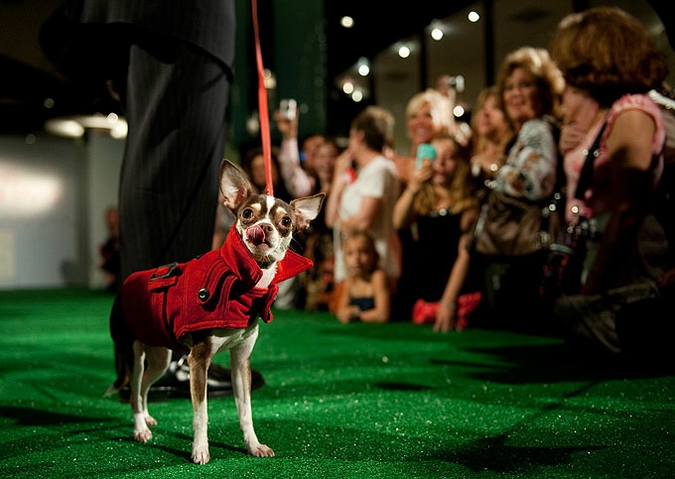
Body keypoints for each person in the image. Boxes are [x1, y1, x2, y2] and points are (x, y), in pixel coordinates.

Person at [63, 0, 262, 400]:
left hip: (162, 22)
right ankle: (170, 351)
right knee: (174, 174)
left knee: (160, 165)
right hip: (183, 21)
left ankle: (150, 350)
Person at [549, 6, 673, 361]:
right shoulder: (613, 111)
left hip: (632, 261)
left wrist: (590, 290)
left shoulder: (632, 111)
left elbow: (628, 209)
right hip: (608, 257)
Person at [471, 46, 565, 332]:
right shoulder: (526, 131)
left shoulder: (537, 128)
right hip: (519, 253)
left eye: (525, 84)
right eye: (509, 87)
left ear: (545, 90)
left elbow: (534, 183)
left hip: (529, 254)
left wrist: (493, 169)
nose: (515, 93)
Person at [392, 134, 481, 332]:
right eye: (434, 157)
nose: (439, 163)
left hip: (459, 296)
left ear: (459, 163)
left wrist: (448, 302)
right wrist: (414, 186)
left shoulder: (469, 202)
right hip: (426, 296)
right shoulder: (421, 197)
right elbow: (398, 222)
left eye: (448, 157)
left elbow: (464, 255)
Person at [325, 105, 402, 302]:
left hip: (374, 268)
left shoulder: (380, 169)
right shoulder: (362, 173)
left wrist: (342, 225)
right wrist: (336, 179)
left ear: (359, 136)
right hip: (353, 267)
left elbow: (364, 221)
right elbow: (329, 219)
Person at [333, 230, 390, 324]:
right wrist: (346, 314)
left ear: (374, 255)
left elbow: (382, 315)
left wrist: (357, 315)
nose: (356, 258)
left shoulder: (378, 277)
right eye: (350, 253)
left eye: (363, 252)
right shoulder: (350, 280)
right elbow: (341, 311)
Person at [469, 85, 515, 198]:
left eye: (495, 107)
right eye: (482, 107)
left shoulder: (514, 154)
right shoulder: (467, 153)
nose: (485, 112)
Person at [99, 205, 121, 293]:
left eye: (112, 217)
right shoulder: (111, 237)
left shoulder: (121, 233)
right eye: (108, 217)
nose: (110, 220)